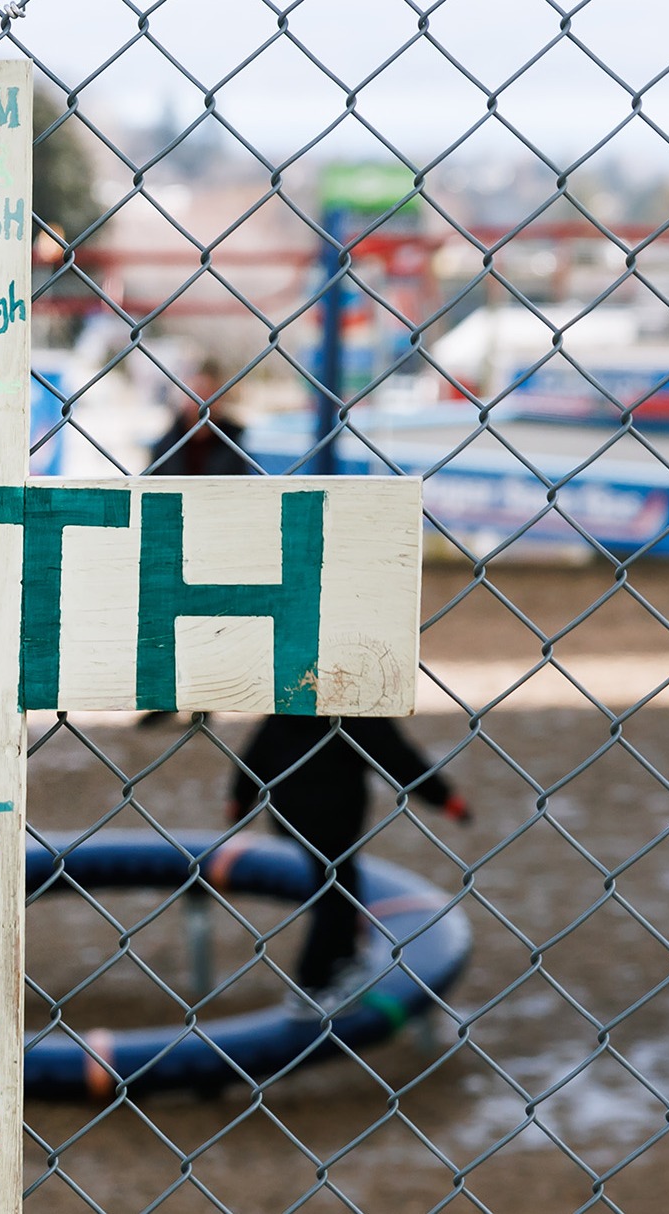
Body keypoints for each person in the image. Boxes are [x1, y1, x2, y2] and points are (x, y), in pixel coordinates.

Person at [227, 716, 470, 1004]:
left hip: (290, 815)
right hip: (333, 819)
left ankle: (342, 960)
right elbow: (397, 756)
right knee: (336, 894)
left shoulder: (293, 704)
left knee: (336, 887)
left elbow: (256, 753)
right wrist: (444, 798)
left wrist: (239, 800)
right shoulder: (353, 708)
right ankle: (313, 982)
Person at [140, 355, 251, 728]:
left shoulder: (236, 444)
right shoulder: (166, 443)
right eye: (193, 392)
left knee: (210, 626)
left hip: (217, 547)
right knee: (162, 625)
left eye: (208, 393)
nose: (200, 400)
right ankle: (164, 698)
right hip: (172, 547)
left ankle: (204, 701)